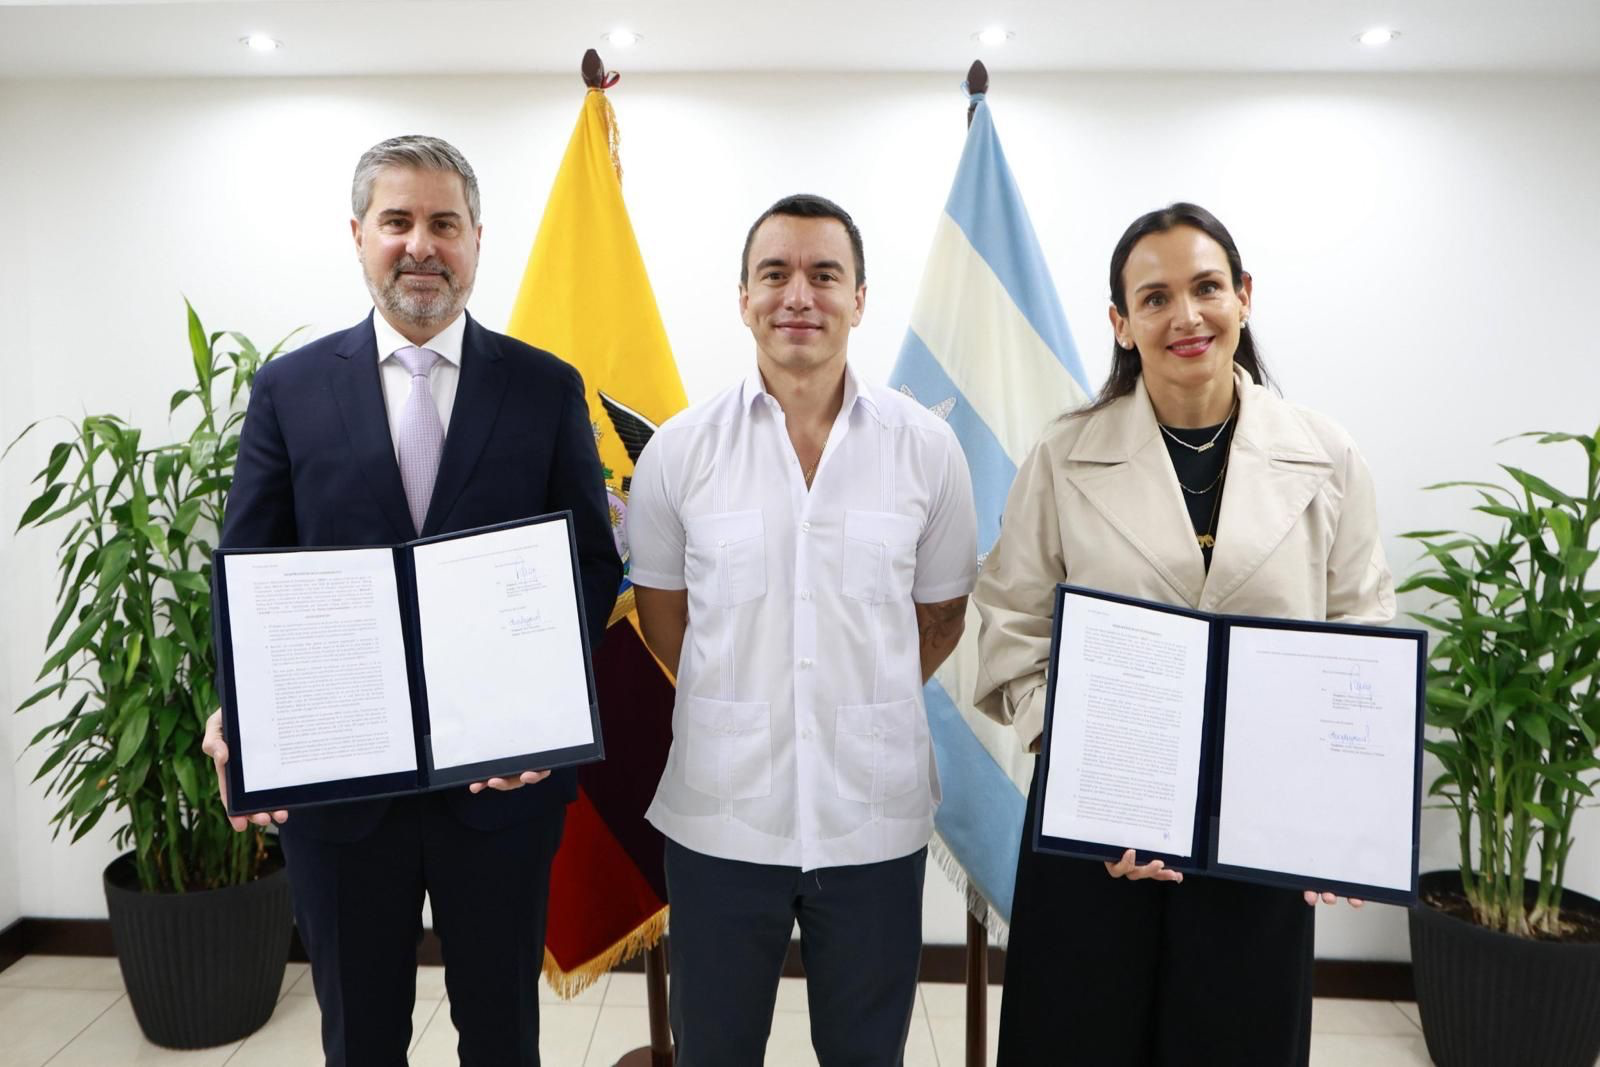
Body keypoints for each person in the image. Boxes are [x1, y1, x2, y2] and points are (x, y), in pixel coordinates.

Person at [200, 134, 621, 1067]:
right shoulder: (290, 391)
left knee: (504, 1033)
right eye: (398, 221)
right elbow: (251, 568)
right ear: (359, 235)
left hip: (501, 791)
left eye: (445, 223)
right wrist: (248, 715)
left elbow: (591, 566)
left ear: (477, 240)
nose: (421, 245)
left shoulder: (546, 388)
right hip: (342, 797)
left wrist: (535, 716)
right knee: (361, 1037)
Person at [972, 202, 1395, 1066]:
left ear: (1244, 296)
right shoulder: (1064, 454)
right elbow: (1013, 624)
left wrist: (1334, 812)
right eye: (1155, 297)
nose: (1186, 316)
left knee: (1237, 1041)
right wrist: (1091, 773)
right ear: (1122, 324)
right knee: (1075, 1040)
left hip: (1261, 837)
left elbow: (1361, 632)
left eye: (1207, 287)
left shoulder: (1327, 454)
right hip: (1098, 840)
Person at [624, 194, 978, 1066]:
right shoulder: (678, 450)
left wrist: (855, 687)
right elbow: (667, 623)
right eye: (774, 273)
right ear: (742, 296)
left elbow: (937, 619)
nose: (799, 295)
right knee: (715, 1052)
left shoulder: (926, 449)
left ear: (860, 298)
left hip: (873, 819)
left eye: (825, 274)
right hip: (720, 819)